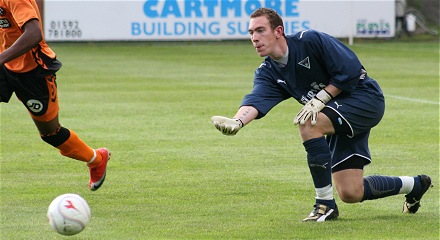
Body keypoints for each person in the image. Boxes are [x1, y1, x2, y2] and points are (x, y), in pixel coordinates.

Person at [211, 7, 432, 222]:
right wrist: (237, 121)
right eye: (251, 33)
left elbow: (352, 69)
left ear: (278, 31)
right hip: (336, 114)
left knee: (308, 123)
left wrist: (322, 98)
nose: (254, 38)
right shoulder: (267, 71)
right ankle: (415, 184)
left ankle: (325, 205)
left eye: (260, 30)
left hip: (364, 99)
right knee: (351, 192)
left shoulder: (310, 40)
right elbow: (255, 100)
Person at [0, 0, 110, 191]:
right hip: (4, 66)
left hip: (34, 72)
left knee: (51, 134)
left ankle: (96, 159)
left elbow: (34, 34)